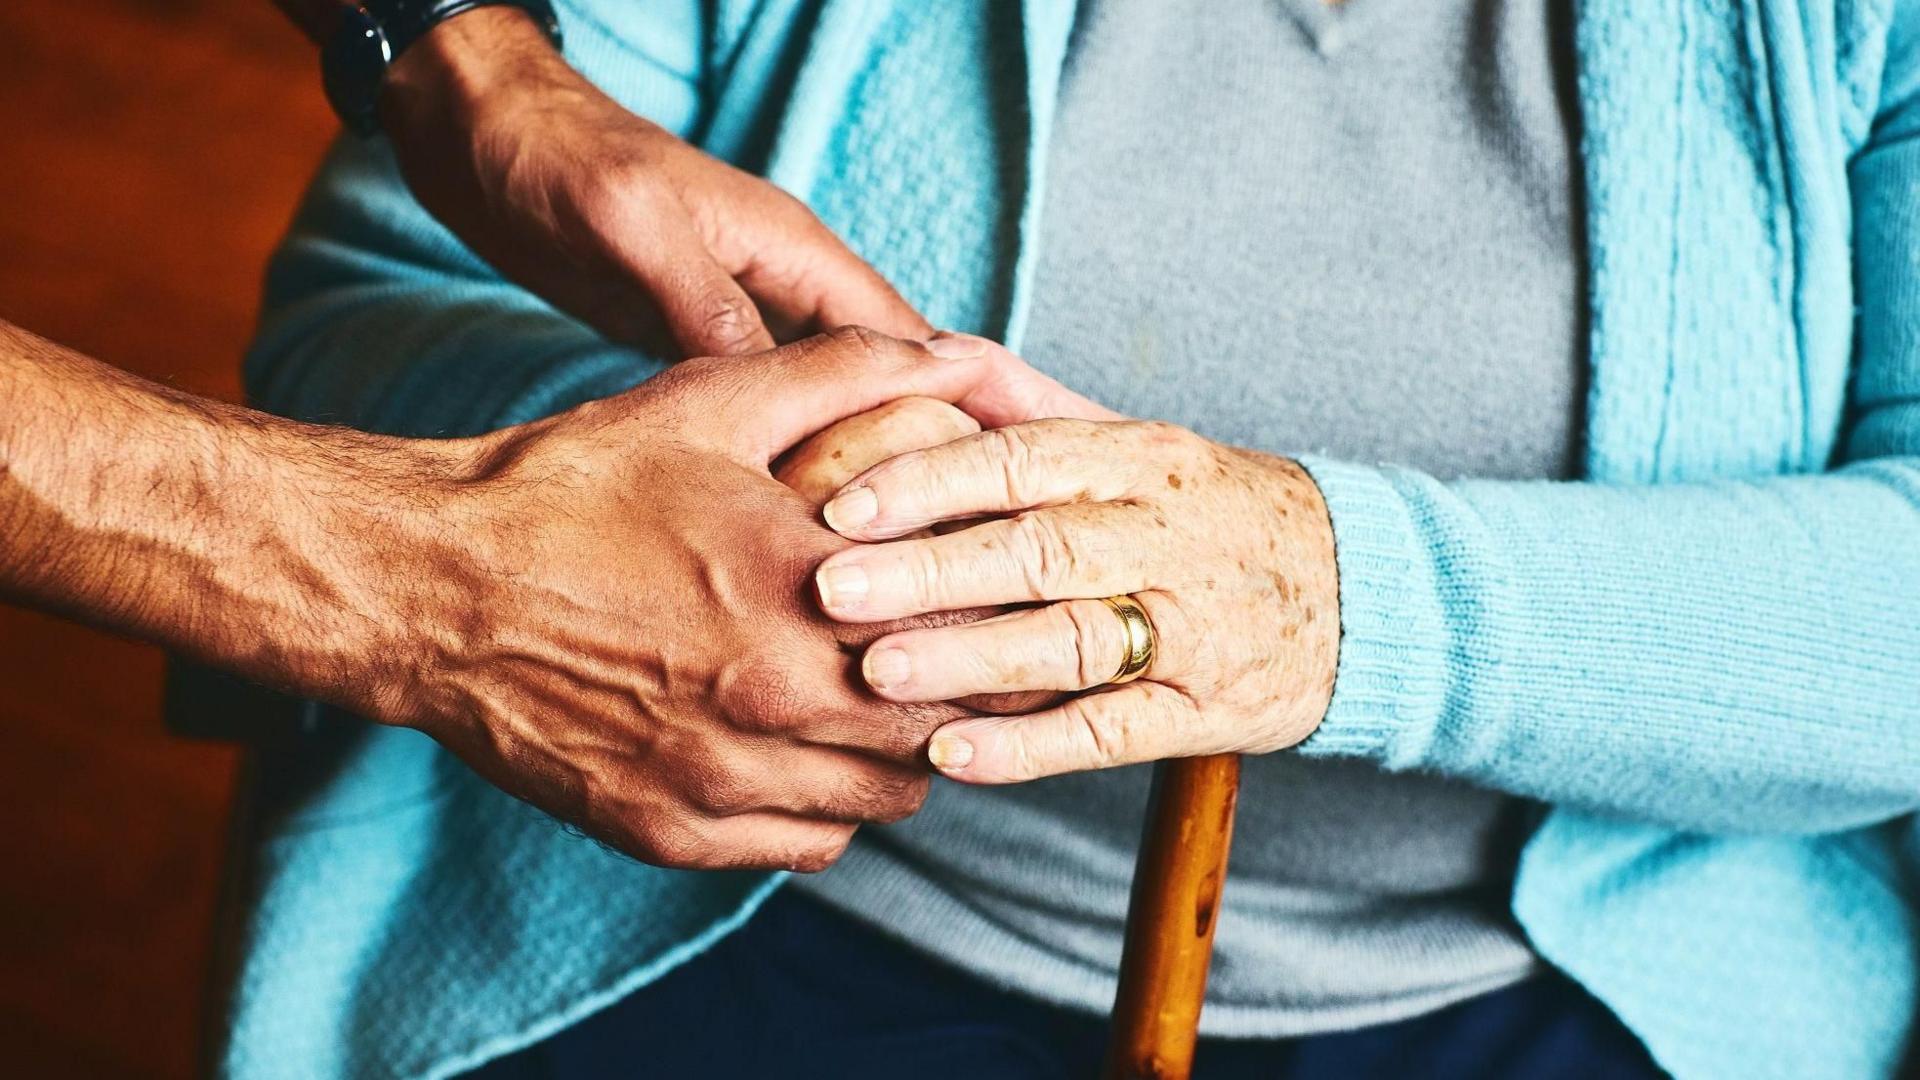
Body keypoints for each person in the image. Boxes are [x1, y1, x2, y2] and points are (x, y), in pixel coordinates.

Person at [203, 1, 1920, 1079]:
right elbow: (358, 330)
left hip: (1574, 1000)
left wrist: (1332, 603)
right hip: (717, 916)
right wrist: (723, 481)